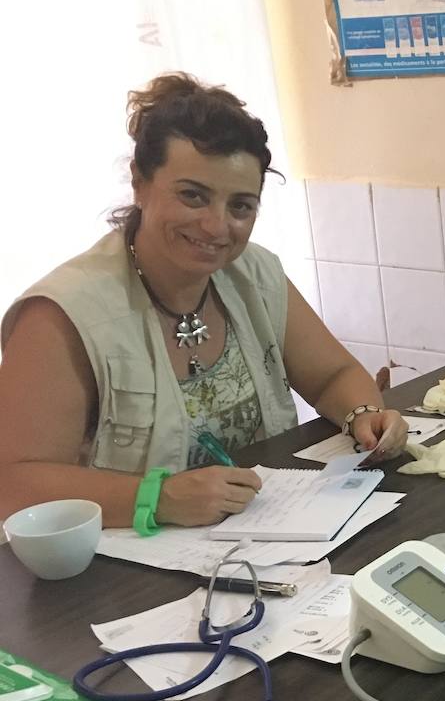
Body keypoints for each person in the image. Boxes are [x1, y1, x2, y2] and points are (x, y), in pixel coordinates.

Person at [0, 73, 410, 528]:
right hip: (118, 578)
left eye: (240, 206)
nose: (216, 227)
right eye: (193, 196)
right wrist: (157, 498)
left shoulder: (255, 274)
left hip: (260, 544)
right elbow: (15, 484)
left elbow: (333, 374)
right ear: (139, 182)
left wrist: (364, 415)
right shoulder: (61, 314)